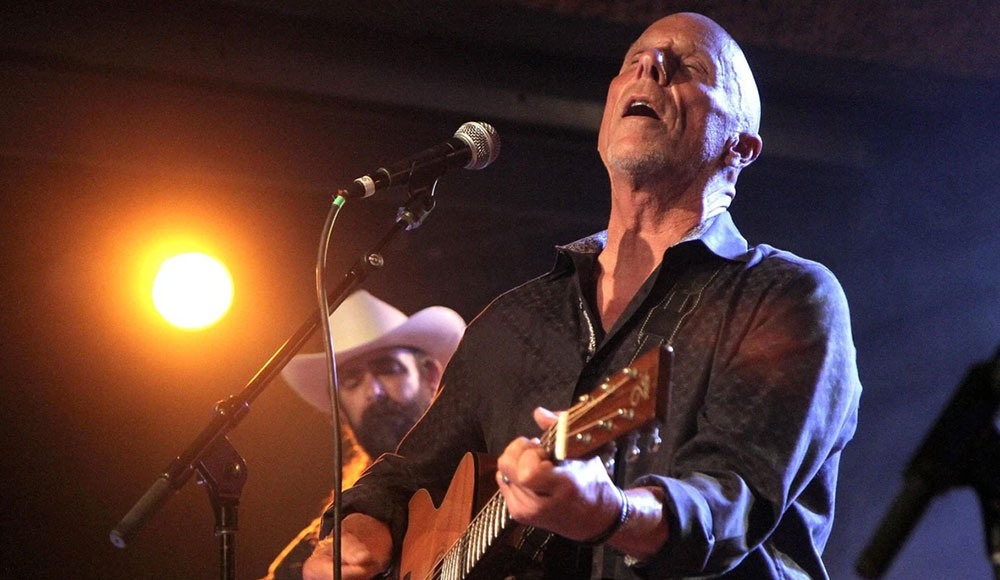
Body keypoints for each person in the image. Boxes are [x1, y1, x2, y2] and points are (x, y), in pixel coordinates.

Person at [304, 12, 862, 580]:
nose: (651, 66)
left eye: (689, 66)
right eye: (634, 62)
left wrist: (610, 512)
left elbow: (732, 499)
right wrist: (359, 525)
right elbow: (405, 474)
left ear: (740, 147)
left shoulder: (782, 297)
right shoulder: (513, 321)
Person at [260, 290, 465, 580]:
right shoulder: (315, 552)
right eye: (353, 381)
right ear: (340, 412)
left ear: (431, 376)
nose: (374, 392)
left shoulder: (488, 462)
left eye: (388, 369)